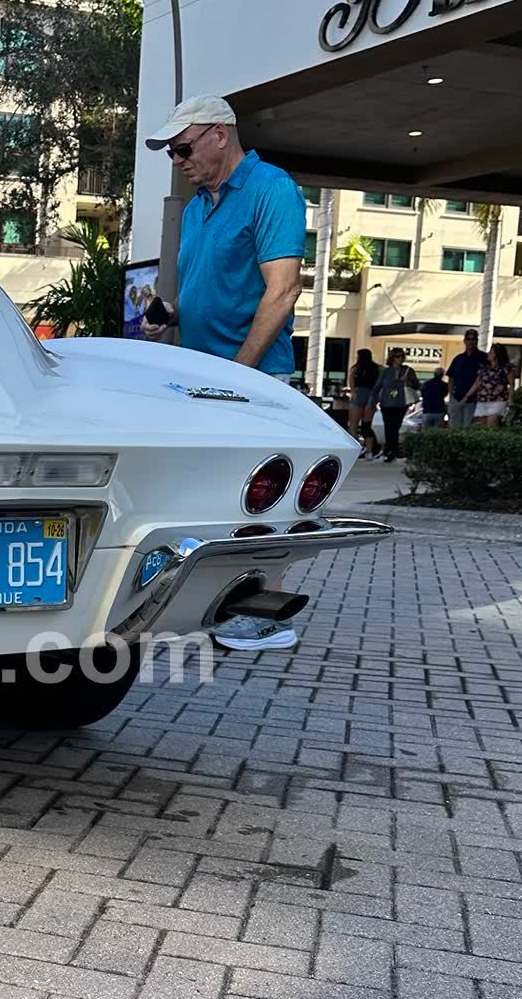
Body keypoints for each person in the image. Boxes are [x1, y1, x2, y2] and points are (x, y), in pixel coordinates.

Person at [141, 95, 308, 655]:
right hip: (201, 379)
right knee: (218, 500)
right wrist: (170, 312)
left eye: (183, 147)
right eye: (171, 152)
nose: (178, 160)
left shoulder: (271, 189)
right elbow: (204, 292)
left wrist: (241, 374)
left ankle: (269, 619)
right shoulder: (197, 208)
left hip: (254, 379)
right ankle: (221, 605)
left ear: (219, 134)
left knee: (265, 499)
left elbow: (283, 288)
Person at [373, 348, 420, 461]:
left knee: (395, 427)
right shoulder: (386, 371)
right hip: (386, 403)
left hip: (401, 403)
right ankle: (391, 450)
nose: (400, 358)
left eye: (402, 356)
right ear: (392, 358)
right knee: (389, 427)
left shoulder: (408, 370)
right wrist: (373, 400)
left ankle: (391, 450)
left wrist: (407, 382)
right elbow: (378, 386)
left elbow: (417, 385)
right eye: (397, 356)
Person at [446, 329, 484, 428]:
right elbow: (450, 377)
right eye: (468, 339)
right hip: (456, 399)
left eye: (473, 339)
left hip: (473, 400)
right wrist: (451, 394)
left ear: (477, 341)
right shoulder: (458, 358)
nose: (471, 341)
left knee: (468, 427)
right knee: (455, 427)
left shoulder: (483, 357)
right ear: (464, 341)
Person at [349, 349, 380, 457]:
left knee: (353, 426)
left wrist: (354, 393)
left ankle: (356, 450)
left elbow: (351, 383)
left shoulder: (356, 368)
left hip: (359, 395)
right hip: (371, 395)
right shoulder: (377, 368)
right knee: (366, 425)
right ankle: (369, 451)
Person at [475, 343, 512, 426]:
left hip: (498, 399)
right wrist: (467, 396)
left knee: (491, 424)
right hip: (483, 398)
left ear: (496, 354)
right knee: (483, 427)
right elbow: (477, 383)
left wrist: (510, 398)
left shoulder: (506, 367)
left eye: (491, 352)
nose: (488, 354)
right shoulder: (484, 368)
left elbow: (511, 384)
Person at [414, 367, 447, 433]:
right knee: (437, 433)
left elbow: (422, 394)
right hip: (439, 411)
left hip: (427, 411)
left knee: (425, 433)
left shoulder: (426, 384)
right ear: (442, 375)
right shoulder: (444, 385)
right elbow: (444, 394)